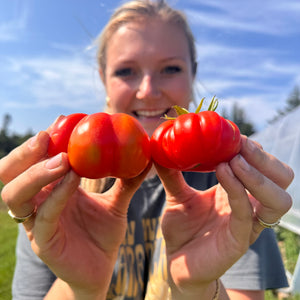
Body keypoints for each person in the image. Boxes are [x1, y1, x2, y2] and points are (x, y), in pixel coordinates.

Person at [0, 1, 294, 299]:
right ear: (103, 78)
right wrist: (81, 288)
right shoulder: (59, 194)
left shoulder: (229, 193)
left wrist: (199, 288)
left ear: (193, 75)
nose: (148, 90)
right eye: (127, 71)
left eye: (170, 68)